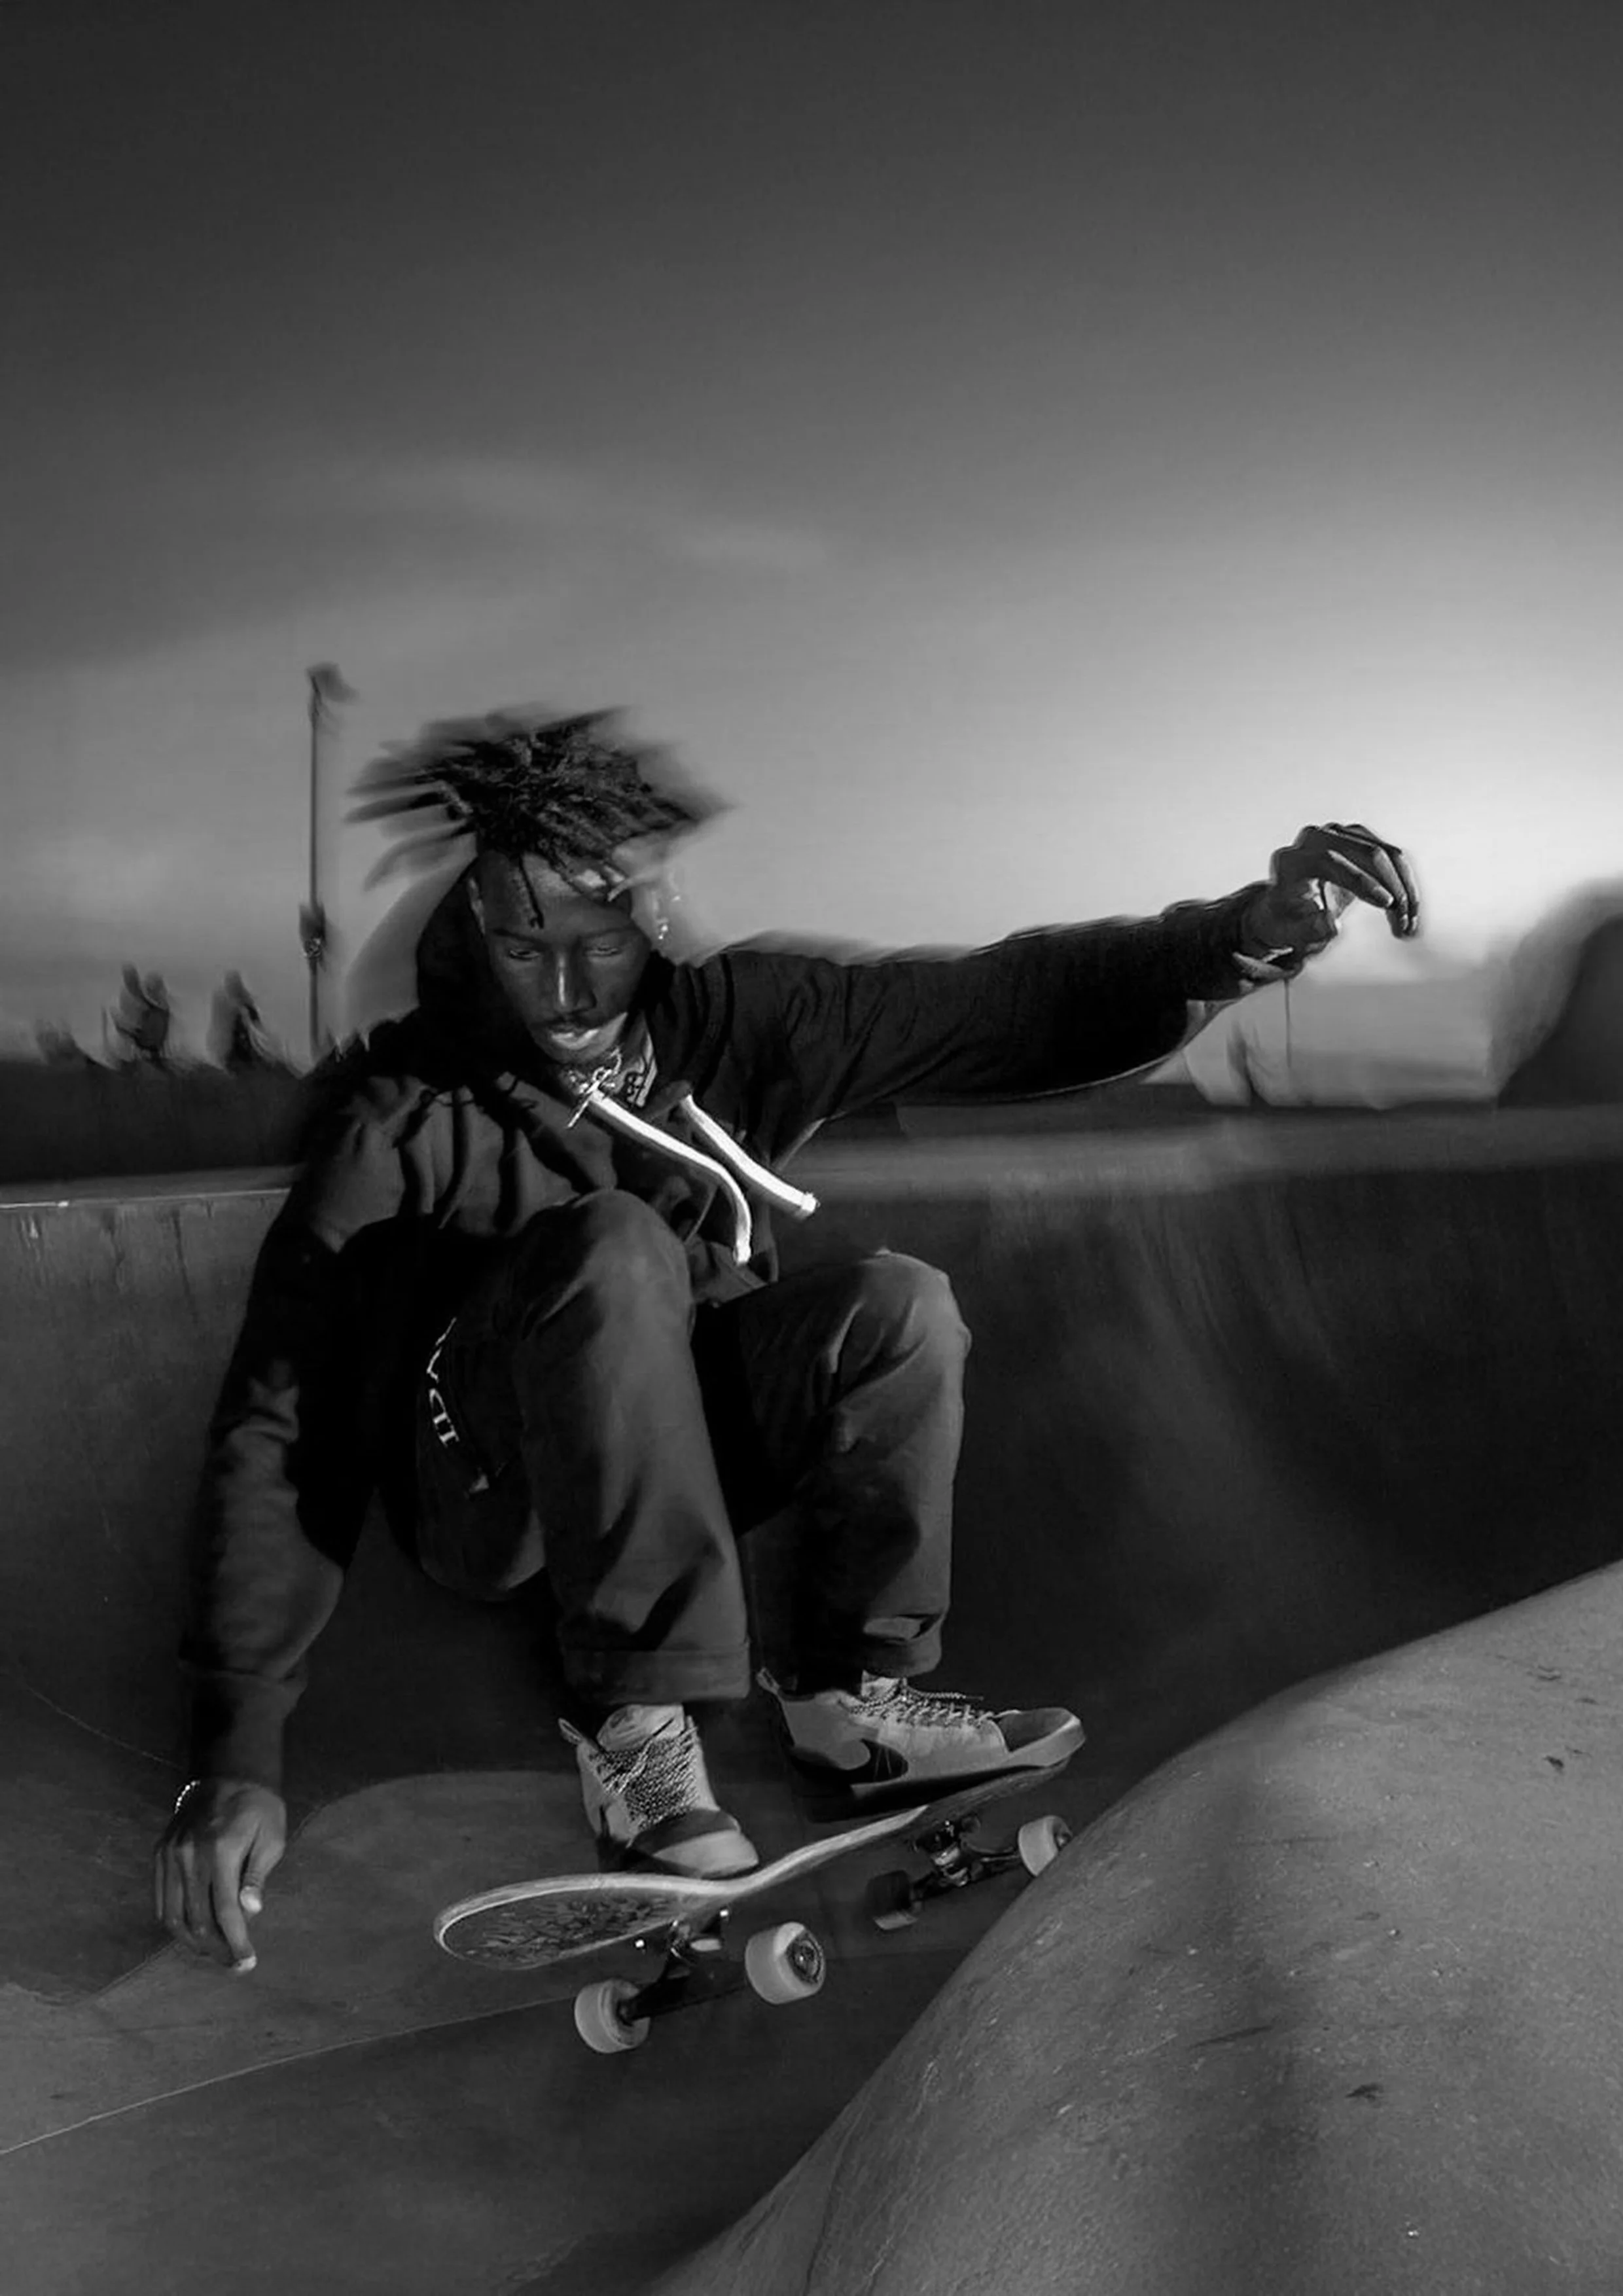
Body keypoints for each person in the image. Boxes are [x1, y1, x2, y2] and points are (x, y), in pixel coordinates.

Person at [153, 706, 1419, 1973]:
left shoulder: (739, 1022)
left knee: (894, 1305)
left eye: (598, 946)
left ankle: (845, 1708)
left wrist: (1241, 938)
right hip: (488, 1481)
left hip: (667, 1441)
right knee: (614, 1246)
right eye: (524, 951)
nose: (567, 994)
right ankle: (630, 1736)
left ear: (651, 913)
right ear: (480, 927)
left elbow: (1005, 1004)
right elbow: (284, 1421)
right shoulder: (404, 1116)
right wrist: (234, 1753)